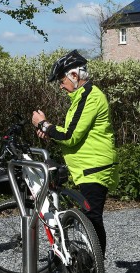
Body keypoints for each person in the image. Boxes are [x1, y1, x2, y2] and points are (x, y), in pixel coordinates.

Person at [32, 50, 117, 255]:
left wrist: (44, 125)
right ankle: (92, 272)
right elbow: (71, 133)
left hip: (94, 167)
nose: (61, 86)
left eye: (61, 80)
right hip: (87, 166)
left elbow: (70, 136)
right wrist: (50, 132)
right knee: (89, 218)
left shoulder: (89, 96)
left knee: (92, 218)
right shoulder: (81, 97)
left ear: (74, 76)